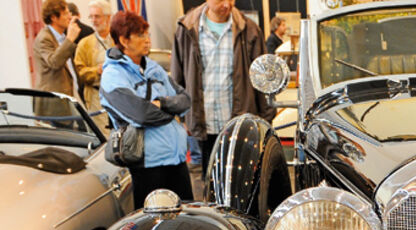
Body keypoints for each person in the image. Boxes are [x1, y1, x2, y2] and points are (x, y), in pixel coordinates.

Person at [101, 11, 192, 211]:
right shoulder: (113, 76)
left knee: (187, 222)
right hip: (148, 165)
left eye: (147, 34)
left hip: (176, 159)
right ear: (124, 41)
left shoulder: (154, 68)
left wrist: (162, 104)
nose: (147, 40)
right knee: (155, 228)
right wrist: (169, 110)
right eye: (141, 35)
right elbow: (141, 114)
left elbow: (185, 100)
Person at [171, 0, 274, 176]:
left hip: (240, 122)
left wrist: (266, 116)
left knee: (243, 182)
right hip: (206, 122)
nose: (227, 4)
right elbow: (177, 75)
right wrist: (182, 113)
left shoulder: (249, 29)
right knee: (210, 181)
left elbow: (262, 77)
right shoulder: (186, 29)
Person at [33, 0, 82, 107]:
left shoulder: (62, 36)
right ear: (54, 18)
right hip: (53, 102)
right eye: (65, 14)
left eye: (69, 13)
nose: (70, 17)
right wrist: (69, 39)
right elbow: (54, 62)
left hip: (70, 95)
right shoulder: (44, 38)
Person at [74, 1, 113, 116]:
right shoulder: (84, 44)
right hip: (96, 98)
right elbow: (80, 71)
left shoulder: (119, 40)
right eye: (91, 17)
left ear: (108, 17)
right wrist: (97, 70)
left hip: (120, 95)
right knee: (102, 132)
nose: (93, 20)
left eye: (97, 16)